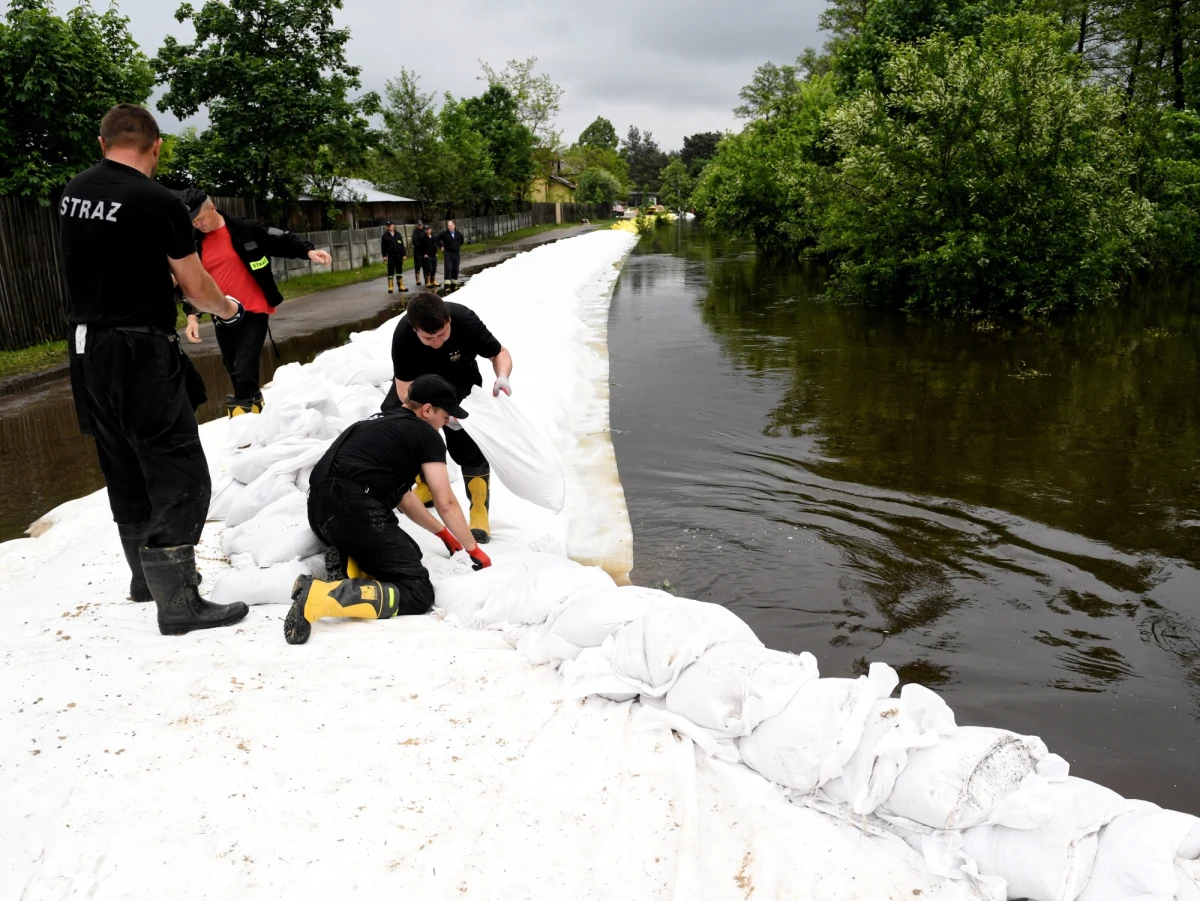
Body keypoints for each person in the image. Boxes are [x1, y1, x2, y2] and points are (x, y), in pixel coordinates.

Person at [59, 103, 249, 636]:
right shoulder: (158, 201)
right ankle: (179, 601)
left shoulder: (74, 191)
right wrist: (228, 309)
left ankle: (144, 580)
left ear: (102, 144)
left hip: (85, 348)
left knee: (121, 457)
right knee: (179, 469)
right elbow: (194, 286)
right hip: (139, 349)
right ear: (156, 146)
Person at [286, 374, 492, 645]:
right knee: (417, 592)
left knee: (409, 552)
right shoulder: (426, 435)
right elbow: (446, 502)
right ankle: (322, 597)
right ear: (427, 410)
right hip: (355, 510)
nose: (447, 422)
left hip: (322, 513)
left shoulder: (376, 422)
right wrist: (473, 549)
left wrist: (444, 535)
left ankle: (352, 568)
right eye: (445, 415)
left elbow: (404, 498)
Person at [177, 188, 333, 417]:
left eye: (199, 219)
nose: (197, 224)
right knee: (233, 368)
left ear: (212, 208)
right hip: (222, 315)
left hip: (254, 310)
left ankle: (244, 422)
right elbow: (192, 282)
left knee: (244, 370)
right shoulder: (195, 243)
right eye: (193, 222)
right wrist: (192, 316)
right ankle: (256, 416)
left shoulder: (245, 229)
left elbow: (283, 239)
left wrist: (309, 252)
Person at [382, 293, 512, 544]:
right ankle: (425, 487)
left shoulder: (465, 319)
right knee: (399, 423)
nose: (437, 342)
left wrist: (503, 376)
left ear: (449, 320)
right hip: (419, 390)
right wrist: (431, 417)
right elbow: (403, 389)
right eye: (428, 338)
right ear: (415, 329)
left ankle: (478, 511)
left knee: (467, 442)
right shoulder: (403, 335)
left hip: (460, 385)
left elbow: (499, 353)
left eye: (442, 334)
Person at [381, 220, 408, 294]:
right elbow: (383, 247)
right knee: (390, 271)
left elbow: (402, 245)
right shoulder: (385, 236)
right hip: (391, 256)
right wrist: (384, 256)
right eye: (388, 225)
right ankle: (390, 287)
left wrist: (404, 254)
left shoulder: (398, 234)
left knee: (399, 271)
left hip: (399, 255)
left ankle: (401, 286)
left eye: (390, 225)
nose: (389, 226)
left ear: (393, 225)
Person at [438, 219, 465, 291]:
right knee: (448, 268)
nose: (449, 227)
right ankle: (447, 287)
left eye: (450, 225)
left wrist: (457, 247)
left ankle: (454, 285)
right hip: (448, 253)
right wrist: (441, 246)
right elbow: (437, 239)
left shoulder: (458, 234)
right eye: (448, 226)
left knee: (455, 269)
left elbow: (462, 241)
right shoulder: (444, 233)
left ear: (454, 225)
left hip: (456, 253)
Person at [415, 223, 439, 288]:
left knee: (434, 268)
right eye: (426, 229)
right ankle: (428, 282)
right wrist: (424, 254)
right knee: (428, 269)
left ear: (431, 229)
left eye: (428, 229)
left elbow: (435, 245)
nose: (427, 231)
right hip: (427, 256)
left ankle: (433, 281)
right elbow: (420, 247)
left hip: (433, 255)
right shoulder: (423, 238)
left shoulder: (433, 237)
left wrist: (436, 252)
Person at [412, 219, 425, 287]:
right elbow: (415, 241)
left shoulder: (424, 231)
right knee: (417, 266)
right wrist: (421, 245)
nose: (420, 226)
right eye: (419, 225)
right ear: (417, 225)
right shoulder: (415, 232)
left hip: (424, 251)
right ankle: (418, 280)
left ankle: (427, 279)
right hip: (417, 251)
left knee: (425, 265)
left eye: (421, 225)